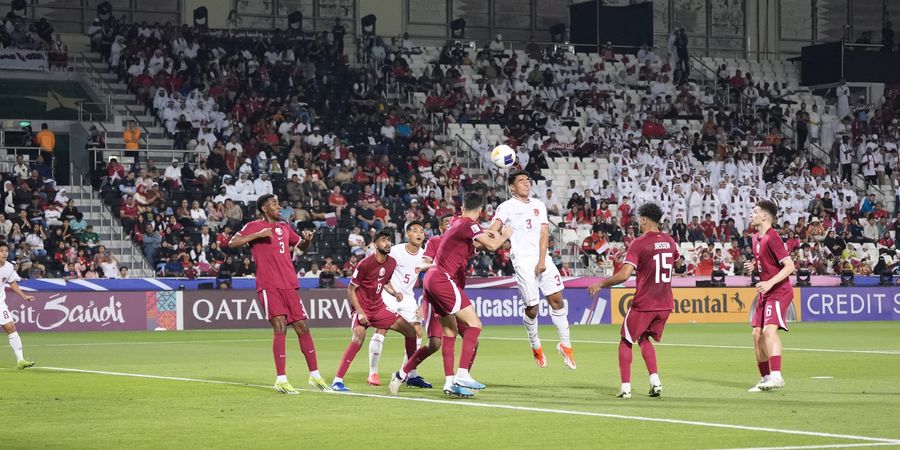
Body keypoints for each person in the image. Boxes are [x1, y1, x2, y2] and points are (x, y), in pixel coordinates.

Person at [389, 192, 512, 398]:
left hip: (433, 280)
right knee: (475, 325)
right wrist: (505, 234)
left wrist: (494, 228)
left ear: (462, 207)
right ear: (480, 211)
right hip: (443, 280)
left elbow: (480, 240)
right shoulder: (466, 225)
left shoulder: (457, 222)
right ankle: (462, 374)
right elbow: (490, 244)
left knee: (450, 332)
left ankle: (406, 375)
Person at [228, 194, 331, 394]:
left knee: (302, 326)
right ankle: (281, 379)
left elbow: (300, 245)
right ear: (264, 208)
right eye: (274, 203)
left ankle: (315, 376)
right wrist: (258, 235)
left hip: (289, 284)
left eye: (278, 202)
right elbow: (232, 243)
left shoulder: (284, 227)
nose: (278, 205)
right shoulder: (254, 225)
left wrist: (308, 240)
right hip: (269, 285)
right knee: (280, 326)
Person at [588, 203, 678, 399]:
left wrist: (601, 284)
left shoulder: (639, 243)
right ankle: (655, 381)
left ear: (645, 219)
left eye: (639, 219)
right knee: (644, 338)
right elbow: (678, 263)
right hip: (665, 303)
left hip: (645, 302)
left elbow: (624, 275)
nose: (638, 222)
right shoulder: (670, 241)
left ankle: (626, 387)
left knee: (625, 340)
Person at [489, 171, 574, 369]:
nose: (526, 183)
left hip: (542, 258)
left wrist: (542, 260)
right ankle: (536, 346)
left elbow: (544, 233)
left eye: (528, 180)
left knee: (557, 300)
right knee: (533, 308)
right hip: (522, 261)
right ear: (512, 187)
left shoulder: (538, 205)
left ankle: (566, 346)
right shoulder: (506, 206)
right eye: (521, 181)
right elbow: (496, 224)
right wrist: (491, 231)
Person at [330, 231, 420, 392]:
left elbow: (384, 281)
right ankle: (337, 381)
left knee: (411, 332)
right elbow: (351, 290)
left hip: (378, 307)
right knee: (359, 337)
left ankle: (407, 373)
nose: (388, 243)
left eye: (389, 240)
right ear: (375, 244)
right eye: (384, 240)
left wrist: (394, 292)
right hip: (362, 308)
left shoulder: (391, 262)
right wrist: (359, 312)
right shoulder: (364, 264)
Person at [366, 221, 431, 388]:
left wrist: (422, 303)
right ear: (407, 234)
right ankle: (373, 372)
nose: (419, 233)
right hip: (390, 295)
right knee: (381, 329)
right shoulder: (396, 251)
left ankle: (409, 373)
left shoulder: (425, 256)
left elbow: (431, 280)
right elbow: (377, 263)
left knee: (417, 332)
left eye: (422, 231)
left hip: (408, 297)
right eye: (415, 230)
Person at [744, 200, 795, 392]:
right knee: (756, 334)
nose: (752, 214)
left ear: (764, 216)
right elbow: (766, 263)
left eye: (755, 211)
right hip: (765, 291)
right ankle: (765, 378)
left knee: (768, 331)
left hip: (778, 291)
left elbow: (790, 266)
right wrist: (754, 266)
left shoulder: (773, 238)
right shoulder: (756, 237)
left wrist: (769, 283)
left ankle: (777, 376)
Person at [0, 241, 37, 369]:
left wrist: (24, 296)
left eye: (6, 251)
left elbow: (12, 283)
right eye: (1, 251)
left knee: (11, 328)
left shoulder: (9, 267)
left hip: (0, 303)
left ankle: (20, 360)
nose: (4, 253)